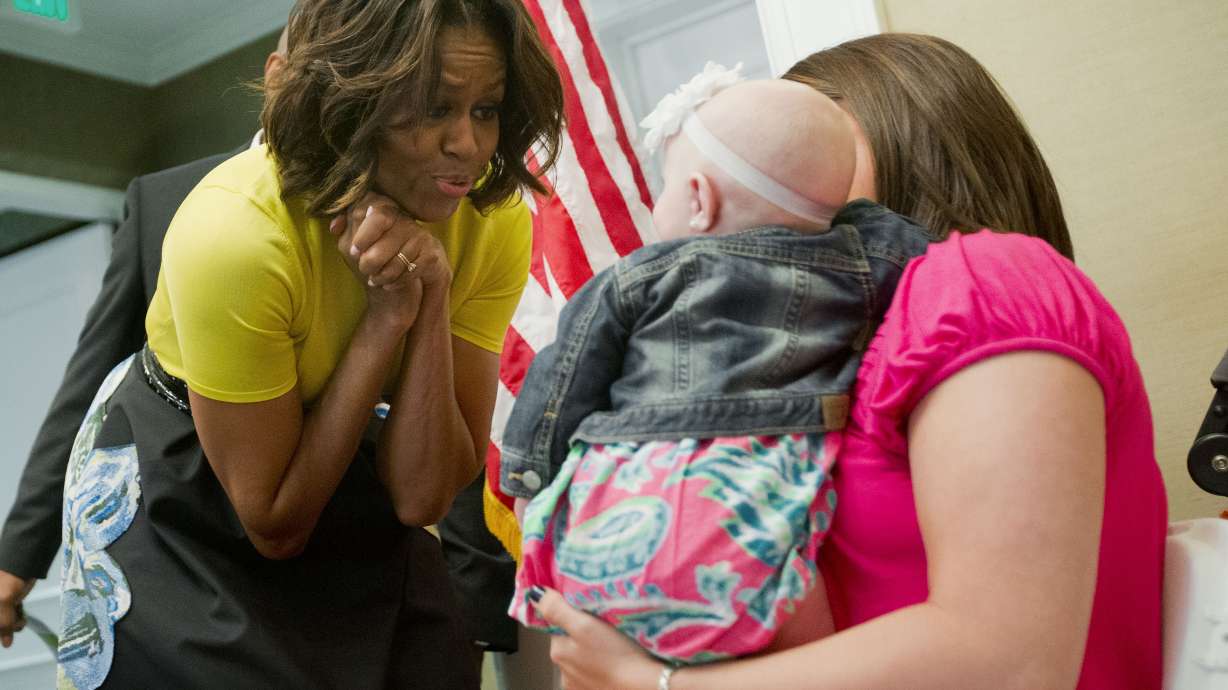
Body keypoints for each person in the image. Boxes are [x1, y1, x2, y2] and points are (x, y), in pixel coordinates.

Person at [526, 33, 1166, 690]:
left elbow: (1009, 660)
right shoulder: (822, 358)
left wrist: (656, 683)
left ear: (909, 145)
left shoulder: (989, 278)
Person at [51, 1, 564, 688]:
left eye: (486, 109)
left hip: (343, 445)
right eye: (433, 108)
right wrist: (384, 320)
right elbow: (274, 522)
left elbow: (421, 500)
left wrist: (429, 298)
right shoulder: (234, 234)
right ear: (350, 100)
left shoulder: (491, 218)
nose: (467, 145)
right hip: (188, 481)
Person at [501, 69, 932, 664]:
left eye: (666, 187)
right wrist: (832, 206)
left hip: (628, 501)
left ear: (699, 200)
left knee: (591, 654)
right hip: (761, 505)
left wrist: (529, 486)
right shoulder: (860, 263)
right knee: (808, 641)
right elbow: (922, 246)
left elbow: (564, 377)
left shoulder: (645, 275)